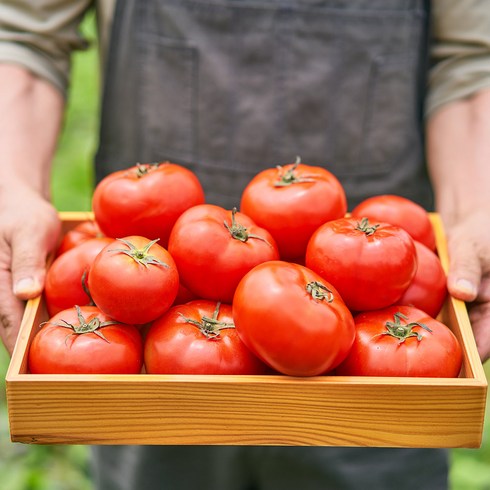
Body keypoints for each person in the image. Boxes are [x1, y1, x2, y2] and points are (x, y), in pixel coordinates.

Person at [1, 1, 489, 489]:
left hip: (368, 366)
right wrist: (11, 187)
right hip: (154, 376)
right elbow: (23, 35)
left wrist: (475, 212)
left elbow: (473, 60)